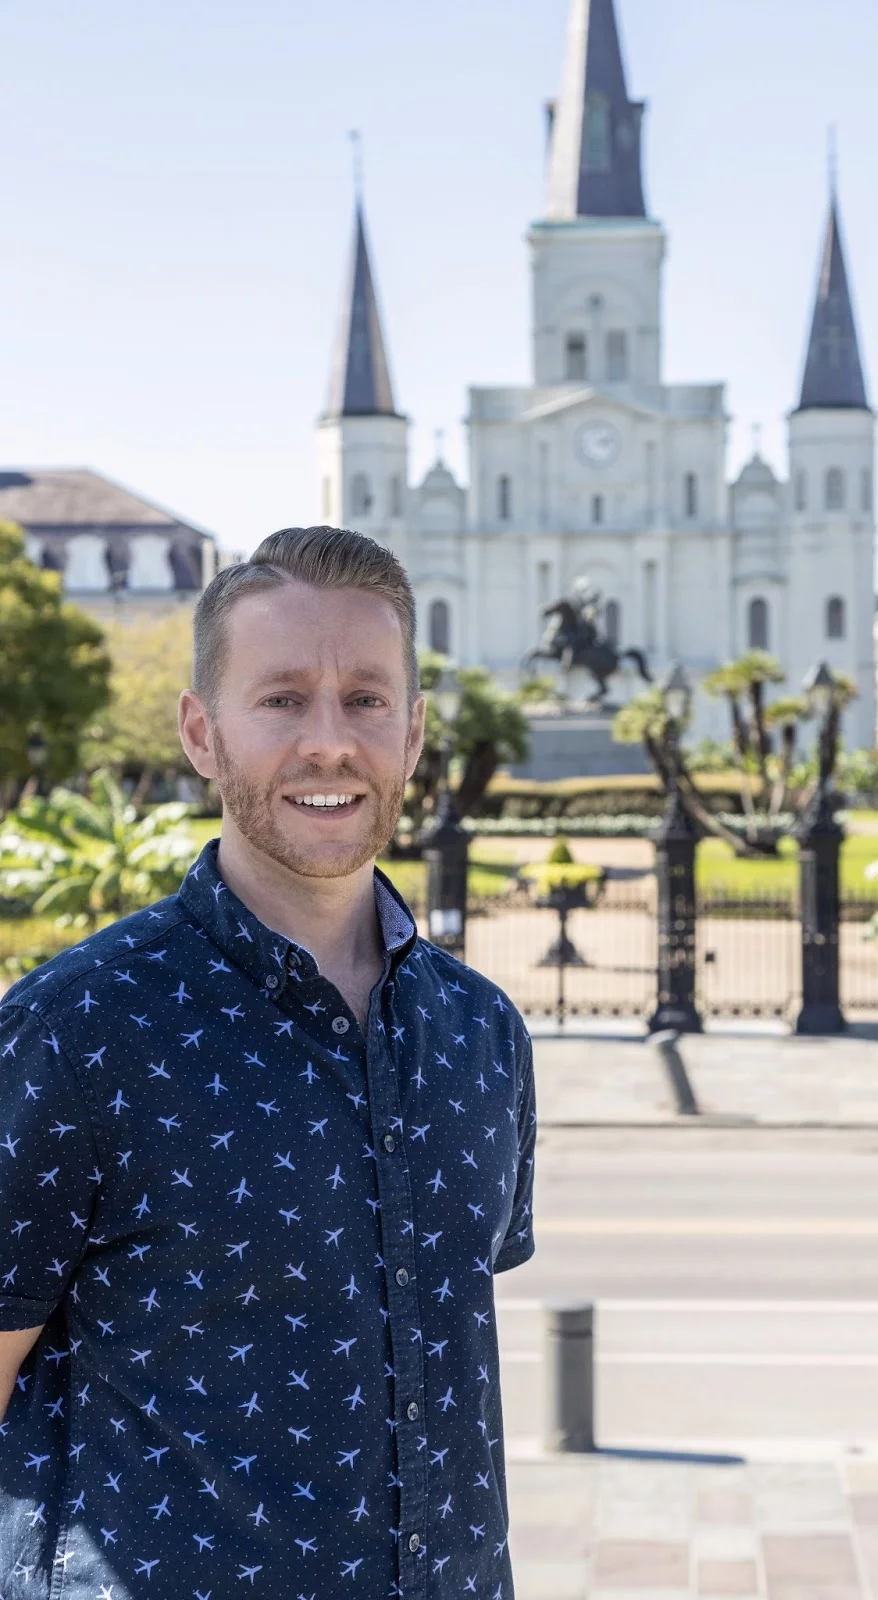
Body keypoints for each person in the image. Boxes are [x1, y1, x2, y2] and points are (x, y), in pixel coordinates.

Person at [0, 526, 537, 1600]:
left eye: (367, 700)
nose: (329, 742)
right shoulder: (78, 1030)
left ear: (415, 731)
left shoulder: (484, 1037)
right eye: (283, 699)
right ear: (203, 734)